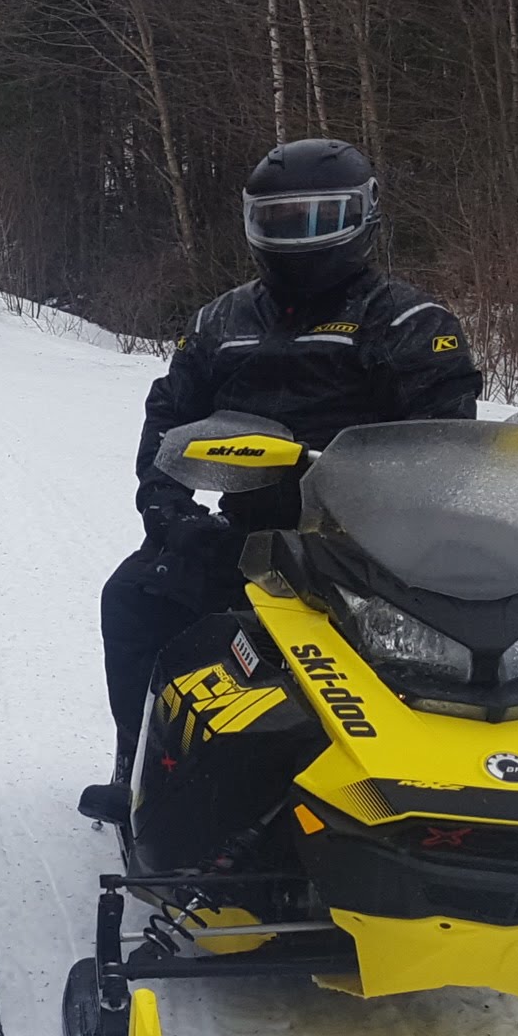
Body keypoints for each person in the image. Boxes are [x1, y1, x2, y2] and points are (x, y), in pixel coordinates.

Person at [79, 137, 481, 824]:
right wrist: (170, 510)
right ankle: (140, 759)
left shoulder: (410, 324)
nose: (298, 236)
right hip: (249, 541)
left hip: (372, 550)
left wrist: (406, 524)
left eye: (318, 219)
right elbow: (169, 419)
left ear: (362, 218)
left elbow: (447, 443)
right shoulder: (220, 322)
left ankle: (446, 791)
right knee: (135, 596)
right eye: (280, 219)